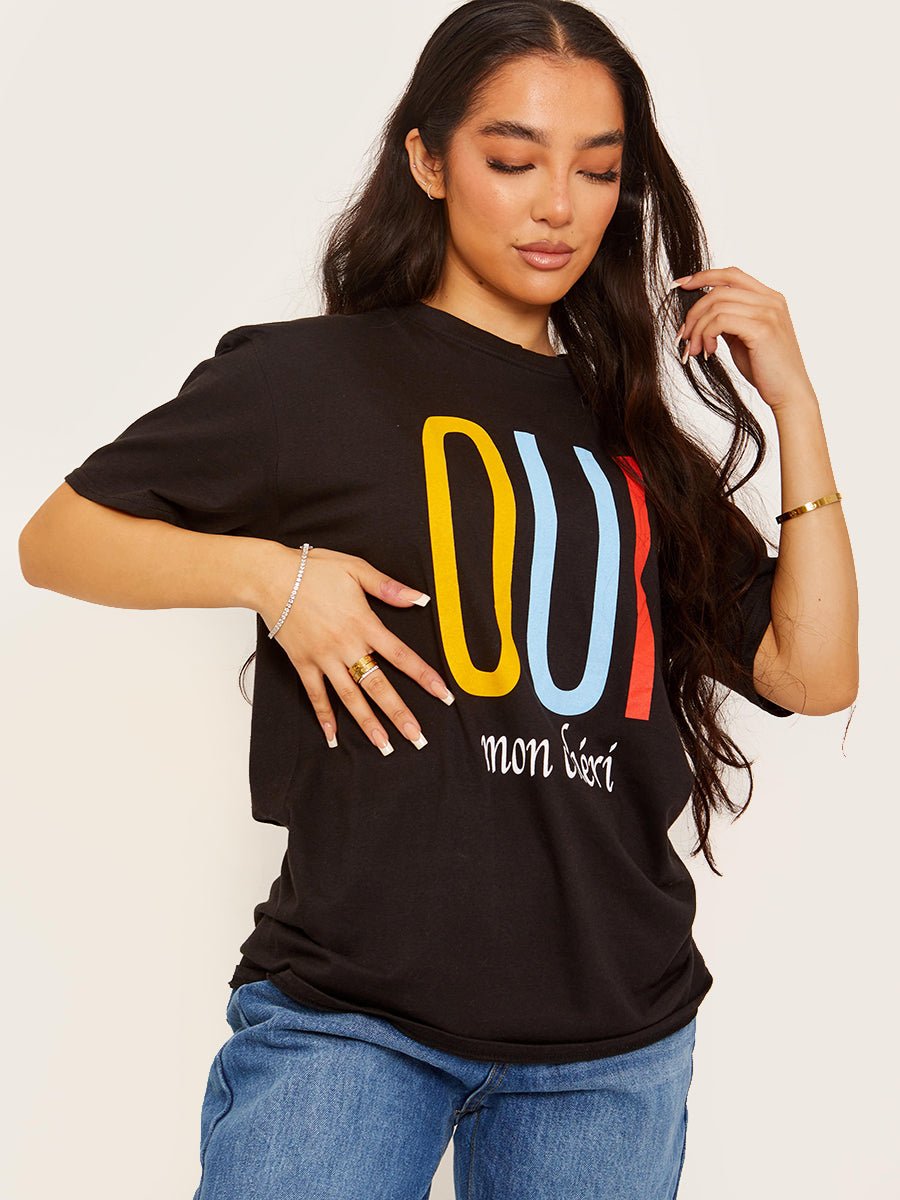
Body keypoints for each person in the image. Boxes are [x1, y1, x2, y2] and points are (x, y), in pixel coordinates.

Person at [17, 0, 858, 1196]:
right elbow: (57, 539)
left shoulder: (633, 440)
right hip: (353, 1018)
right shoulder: (311, 378)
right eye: (513, 160)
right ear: (427, 158)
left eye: (597, 171)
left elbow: (810, 673)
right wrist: (275, 577)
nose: (557, 205)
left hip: (613, 1045)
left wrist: (799, 409)